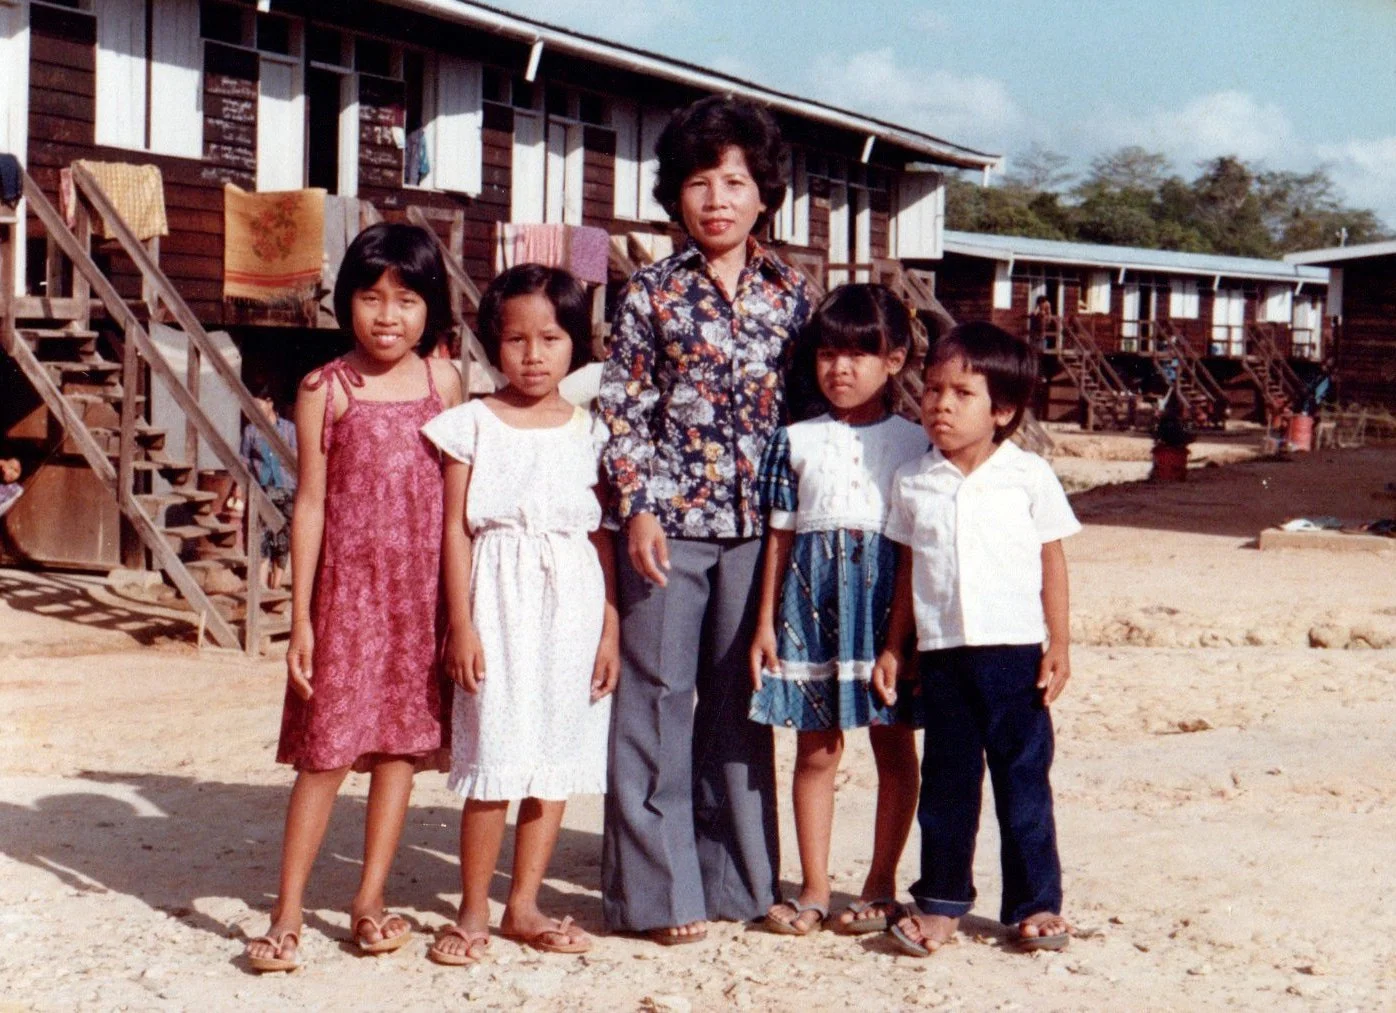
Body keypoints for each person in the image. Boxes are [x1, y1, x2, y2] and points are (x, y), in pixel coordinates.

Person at [599, 94, 813, 945]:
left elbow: (811, 417)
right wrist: (638, 507)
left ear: (764, 193)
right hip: (669, 526)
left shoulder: (795, 297)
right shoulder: (649, 294)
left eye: (735, 180)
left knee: (741, 703)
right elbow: (620, 409)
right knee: (655, 701)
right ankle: (657, 895)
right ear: (674, 197)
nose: (717, 198)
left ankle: (735, 879)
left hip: (760, 529)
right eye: (698, 181)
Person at [245, 223, 463, 973]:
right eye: (371, 298)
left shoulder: (448, 384)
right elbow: (307, 503)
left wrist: (460, 612)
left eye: (406, 299)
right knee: (327, 749)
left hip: (421, 596)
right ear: (347, 303)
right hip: (348, 594)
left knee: (401, 744)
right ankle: (288, 908)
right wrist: (300, 616)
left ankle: (369, 899)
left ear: (431, 307)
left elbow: (462, 503)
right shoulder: (324, 388)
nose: (388, 315)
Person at [421, 264, 619, 965]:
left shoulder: (591, 431)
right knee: (496, 749)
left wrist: (609, 629)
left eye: (551, 337)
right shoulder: (469, 423)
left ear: (577, 346)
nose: (534, 354)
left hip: (573, 596)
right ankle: (473, 906)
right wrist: (461, 623)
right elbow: (453, 529)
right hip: (497, 596)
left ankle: (524, 902)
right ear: (490, 343)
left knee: (554, 756)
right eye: (515, 339)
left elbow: (601, 535)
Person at [879, 321, 1081, 957]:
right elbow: (910, 569)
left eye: (961, 393)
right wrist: (895, 646)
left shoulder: (1029, 476)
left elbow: (1052, 561)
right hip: (942, 657)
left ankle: (1035, 904)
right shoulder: (914, 480)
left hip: (1017, 656)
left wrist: (1061, 643)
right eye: (932, 389)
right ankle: (939, 903)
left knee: (1023, 784)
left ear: (1004, 409)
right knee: (947, 784)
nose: (939, 404)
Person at [748, 285, 926, 936]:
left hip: (885, 616)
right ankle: (816, 887)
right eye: (827, 353)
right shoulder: (795, 440)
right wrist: (766, 620)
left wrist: (900, 639)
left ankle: (880, 883)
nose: (840, 369)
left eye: (859, 354)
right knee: (815, 751)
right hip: (809, 610)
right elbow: (780, 537)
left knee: (893, 747)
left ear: (896, 359)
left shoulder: (915, 443)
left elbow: (910, 549)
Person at [238, 383, 298, 589]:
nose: (254, 405)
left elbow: (298, 458)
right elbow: (244, 461)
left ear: (270, 402)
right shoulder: (250, 431)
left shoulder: (289, 429)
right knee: (261, 537)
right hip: (262, 491)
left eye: (258, 402)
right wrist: (240, 489)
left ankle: (276, 583)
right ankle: (261, 588)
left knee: (283, 537)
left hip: (286, 489)